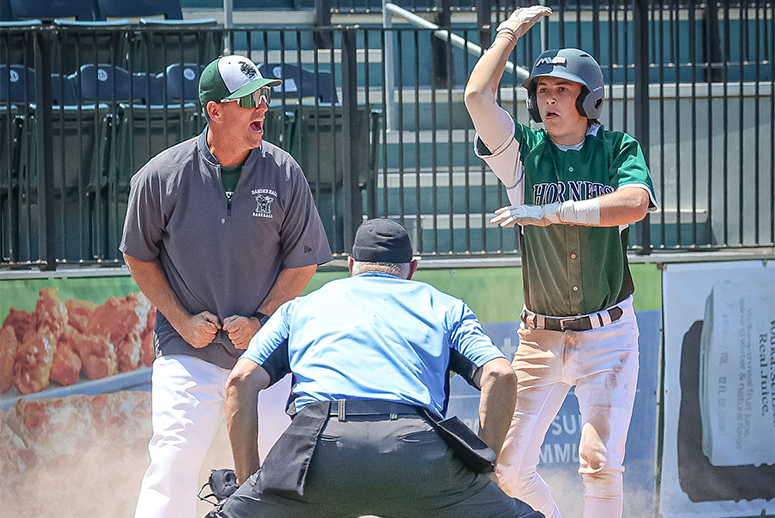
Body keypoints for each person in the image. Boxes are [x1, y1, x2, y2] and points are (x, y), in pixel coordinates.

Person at [208, 218, 544, 518]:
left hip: (318, 454)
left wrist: (248, 482)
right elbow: (500, 374)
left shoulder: (300, 308)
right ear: (411, 269)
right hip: (416, 453)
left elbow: (240, 380)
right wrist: (482, 469)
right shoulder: (445, 307)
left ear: (352, 265)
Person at [464, 7, 658, 518]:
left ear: (589, 100)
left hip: (608, 335)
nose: (548, 98)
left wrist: (557, 212)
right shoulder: (523, 152)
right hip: (539, 339)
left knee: (599, 462)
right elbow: (476, 97)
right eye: (541, 90)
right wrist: (507, 34)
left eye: (562, 89)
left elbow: (636, 202)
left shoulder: (617, 148)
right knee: (505, 470)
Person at [120, 54, 333, 518]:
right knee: (173, 459)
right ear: (215, 110)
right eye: (248, 100)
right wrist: (181, 319)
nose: (262, 108)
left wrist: (261, 321)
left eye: (265, 97)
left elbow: (304, 261)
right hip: (187, 350)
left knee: (284, 465)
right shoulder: (162, 175)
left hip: (265, 355)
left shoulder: (284, 172)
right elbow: (137, 254)